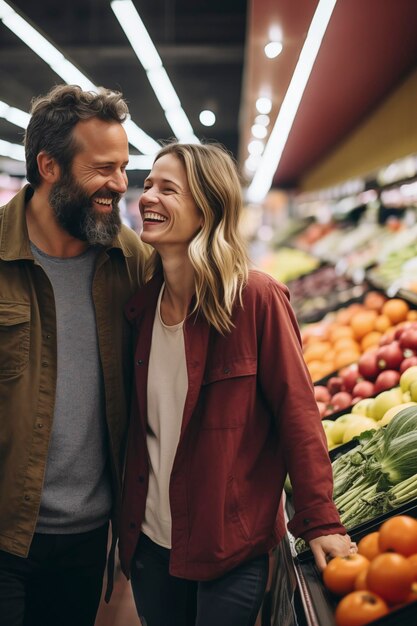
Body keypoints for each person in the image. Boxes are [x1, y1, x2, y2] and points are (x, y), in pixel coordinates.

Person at [119, 141, 356, 626]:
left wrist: (320, 519)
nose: (148, 197)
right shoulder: (140, 308)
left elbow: (297, 413)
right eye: (147, 186)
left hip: (230, 543)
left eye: (168, 189)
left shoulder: (255, 299)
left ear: (207, 207)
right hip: (149, 545)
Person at [0, 84, 148, 626]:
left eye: (124, 167)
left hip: (88, 537)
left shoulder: (128, 260)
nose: (119, 185)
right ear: (49, 166)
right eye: (103, 168)